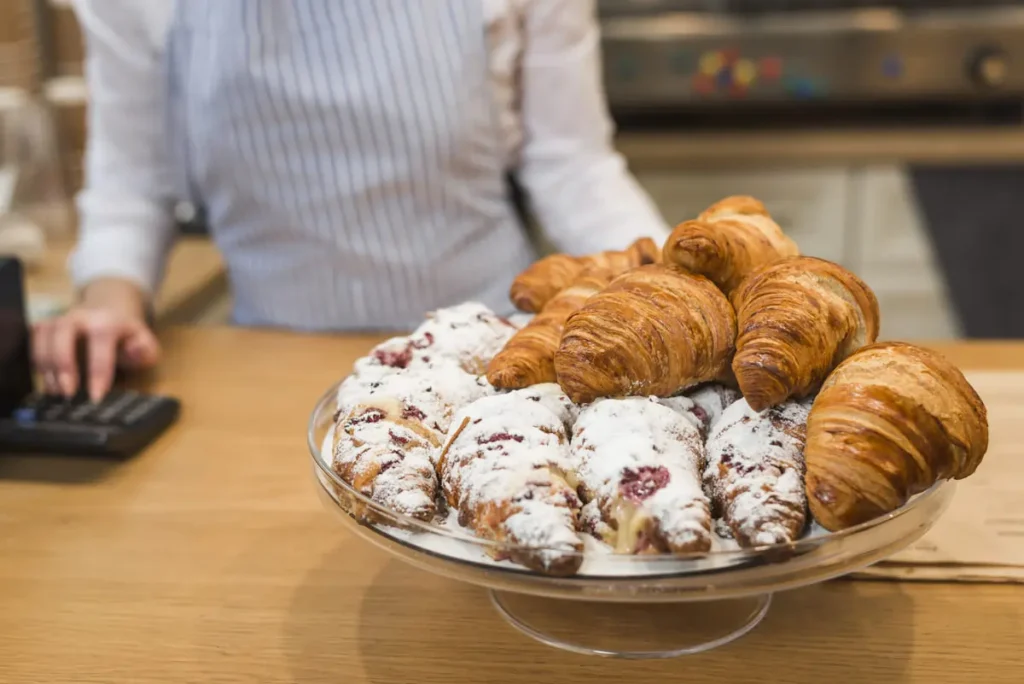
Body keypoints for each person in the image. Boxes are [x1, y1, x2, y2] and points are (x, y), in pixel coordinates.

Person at [33, 0, 670, 401]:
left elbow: (571, 164)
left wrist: (670, 286)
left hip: (495, 366)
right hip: (264, 372)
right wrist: (109, 301)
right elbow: (133, 184)